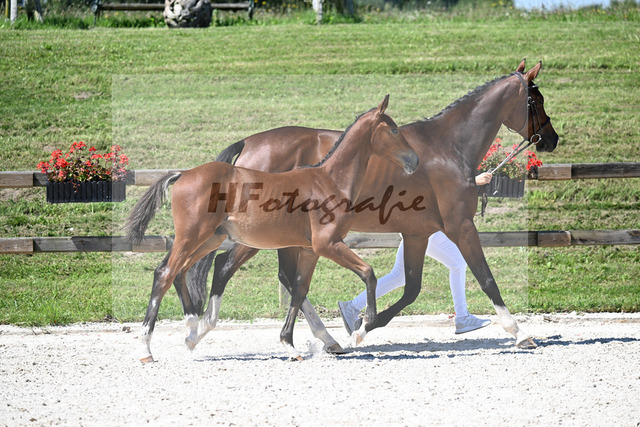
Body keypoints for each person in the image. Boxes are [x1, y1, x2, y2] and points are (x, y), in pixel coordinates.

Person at [338, 172, 494, 336]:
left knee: (399, 275)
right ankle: (462, 317)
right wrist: (472, 181)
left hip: (418, 222)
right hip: (424, 225)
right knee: (458, 263)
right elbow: (437, 182)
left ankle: (352, 306)